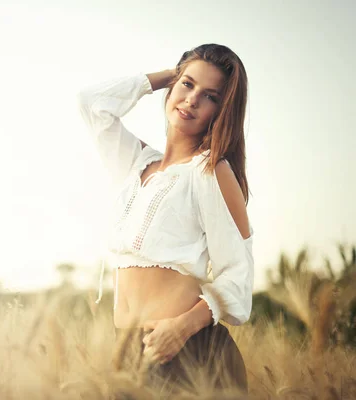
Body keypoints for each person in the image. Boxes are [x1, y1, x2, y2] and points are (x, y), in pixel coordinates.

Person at [76, 44, 253, 394]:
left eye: (210, 96)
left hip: (189, 353)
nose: (192, 100)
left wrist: (183, 328)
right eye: (187, 85)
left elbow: (239, 277)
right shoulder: (135, 162)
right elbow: (91, 102)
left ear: (222, 111)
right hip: (127, 352)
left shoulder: (211, 171)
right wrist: (169, 76)